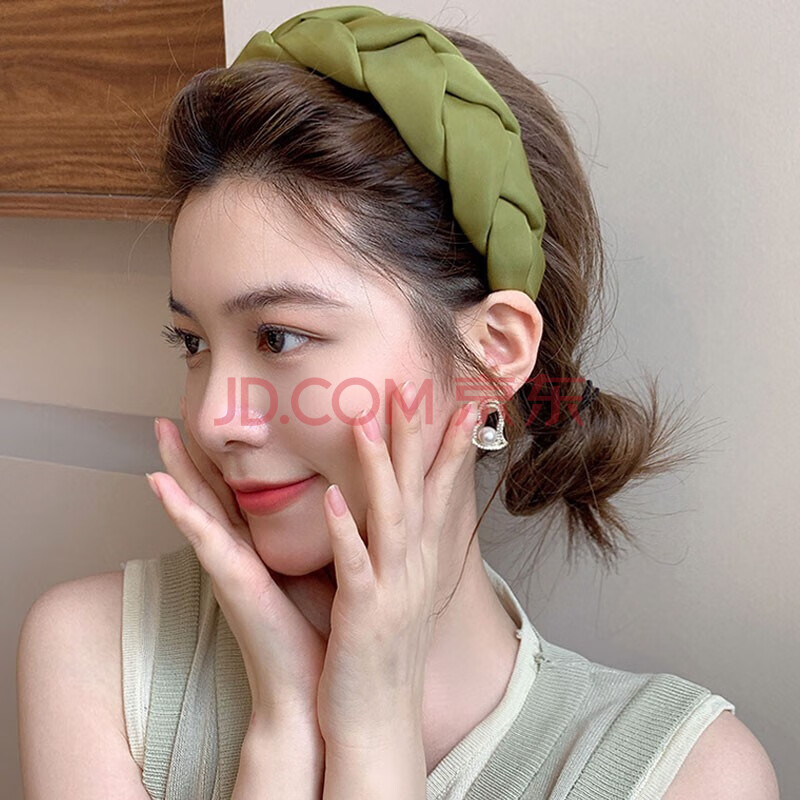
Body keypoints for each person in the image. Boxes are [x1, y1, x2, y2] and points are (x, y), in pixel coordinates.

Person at [17, 6, 780, 800]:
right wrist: (282, 725)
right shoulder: (98, 658)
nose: (213, 420)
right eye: (193, 342)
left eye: (279, 337)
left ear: (493, 354)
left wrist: (374, 729)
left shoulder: (683, 774)